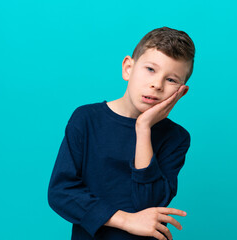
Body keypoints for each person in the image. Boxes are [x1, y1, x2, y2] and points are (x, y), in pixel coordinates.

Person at [48, 26, 196, 240]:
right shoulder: (86, 119)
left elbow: (148, 205)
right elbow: (61, 193)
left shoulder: (177, 138)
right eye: (150, 69)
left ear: (181, 92)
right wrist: (126, 220)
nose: (156, 84)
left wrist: (143, 128)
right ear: (128, 68)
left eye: (171, 80)